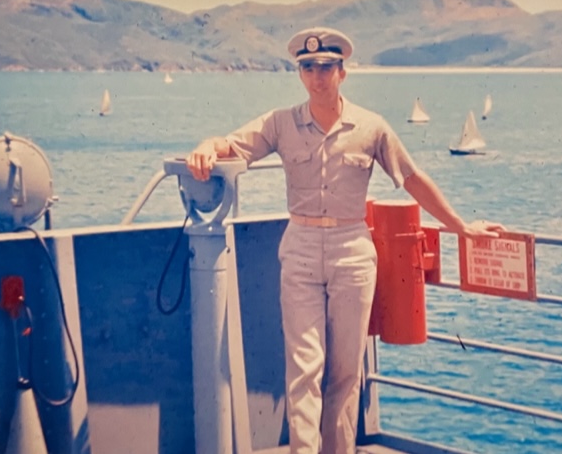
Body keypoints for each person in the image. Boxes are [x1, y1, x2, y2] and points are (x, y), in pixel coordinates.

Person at [186, 27, 504, 454]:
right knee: (304, 369)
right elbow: (232, 144)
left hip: (352, 251)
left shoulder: (371, 127)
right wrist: (208, 145)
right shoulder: (281, 123)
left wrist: (461, 225)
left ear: (343, 72)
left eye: (327, 67)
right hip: (299, 247)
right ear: (301, 74)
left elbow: (411, 178)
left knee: (345, 372)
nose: (318, 76)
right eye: (309, 68)